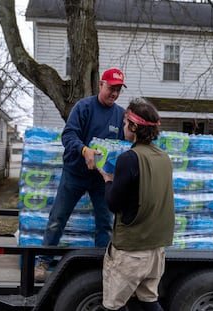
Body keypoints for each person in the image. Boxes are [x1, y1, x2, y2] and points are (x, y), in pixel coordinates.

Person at [34, 68, 127, 282]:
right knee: (58, 217)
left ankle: (104, 266)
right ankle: (43, 261)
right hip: (75, 173)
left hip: (101, 179)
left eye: (118, 90)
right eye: (111, 88)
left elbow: (124, 143)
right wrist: (84, 150)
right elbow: (68, 134)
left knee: (105, 222)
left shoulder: (120, 115)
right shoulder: (84, 107)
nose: (114, 93)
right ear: (101, 85)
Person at [98, 98, 175, 311]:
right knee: (148, 300)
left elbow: (113, 204)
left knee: (113, 305)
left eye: (125, 123)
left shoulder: (129, 159)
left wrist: (108, 179)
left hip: (131, 252)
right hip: (156, 251)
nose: (123, 127)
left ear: (134, 126)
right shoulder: (164, 158)